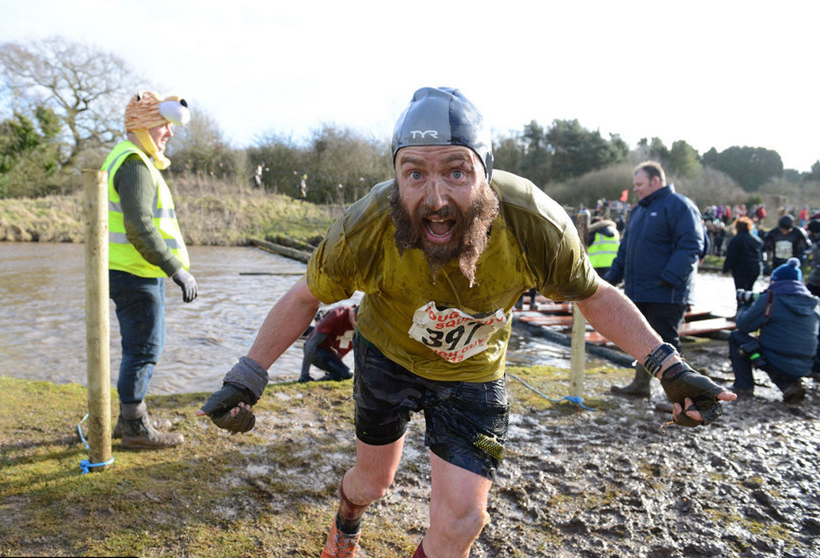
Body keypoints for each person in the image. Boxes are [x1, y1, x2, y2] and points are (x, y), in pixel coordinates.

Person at [196, 87, 734, 558]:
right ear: (396, 177)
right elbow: (304, 296)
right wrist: (248, 375)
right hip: (388, 358)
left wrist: (668, 366)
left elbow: (593, 296)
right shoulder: (366, 225)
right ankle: (346, 523)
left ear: (486, 173)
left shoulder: (534, 223)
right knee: (371, 483)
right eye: (415, 174)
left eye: (456, 171)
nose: (435, 199)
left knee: (463, 521)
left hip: (474, 372)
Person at [103, 90, 197, 449]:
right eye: (164, 125)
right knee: (144, 349)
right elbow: (140, 228)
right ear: (144, 126)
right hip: (135, 273)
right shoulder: (134, 165)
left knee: (138, 347)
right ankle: (135, 429)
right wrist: (178, 270)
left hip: (135, 271)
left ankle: (126, 420)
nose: (169, 133)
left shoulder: (129, 159)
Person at [604, 161, 707, 398]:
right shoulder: (639, 211)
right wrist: (609, 281)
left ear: (656, 181)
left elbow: (692, 244)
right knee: (640, 340)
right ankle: (641, 385)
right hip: (639, 290)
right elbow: (625, 251)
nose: (636, 189)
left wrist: (670, 278)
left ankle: (684, 396)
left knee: (668, 343)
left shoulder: (679, 206)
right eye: (635, 185)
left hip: (667, 292)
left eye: (640, 184)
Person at [728, 258, 819, 403]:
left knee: (737, 337)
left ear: (775, 281)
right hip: (806, 364)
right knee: (780, 349)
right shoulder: (814, 303)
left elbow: (744, 325)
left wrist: (745, 306)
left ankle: (743, 386)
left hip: (777, 362)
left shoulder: (770, 299)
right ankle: (789, 385)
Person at [299, 304, 358, 382]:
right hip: (317, 351)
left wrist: (336, 367)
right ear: (353, 317)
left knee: (346, 374)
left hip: (329, 352)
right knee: (346, 374)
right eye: (359, 325)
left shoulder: (359, 326)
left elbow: (343, 350)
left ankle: (323, 379)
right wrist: (304, 374)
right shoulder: (337, 315)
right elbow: (310, 344)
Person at [722, 216, 763, 293]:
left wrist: (725, 269)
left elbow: (731, 256)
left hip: (741, 269)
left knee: (740, 291)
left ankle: (741, 304)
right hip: (755, 268)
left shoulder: (735, 240)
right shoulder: (756, 240)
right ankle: (749, 304)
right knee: (749, 290)